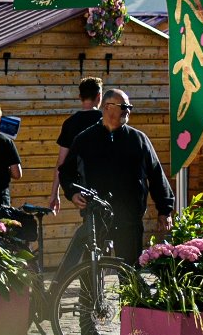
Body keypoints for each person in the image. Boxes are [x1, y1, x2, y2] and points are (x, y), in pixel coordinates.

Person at [58, 87, 173, 266]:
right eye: (125, 106)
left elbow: (156, 174)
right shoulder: (84, 139)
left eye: (130, 106)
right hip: (96, 217)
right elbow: (66, 172)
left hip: (129, 219)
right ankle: (91, 295)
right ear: (108, 107)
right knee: (90, 274)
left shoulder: (138, 139)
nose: (129, 110)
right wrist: (72, 193)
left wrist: (165, 210)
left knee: (130, 274)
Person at [50, 78, 104, 212]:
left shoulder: (70, 123)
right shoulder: (106, 121)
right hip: (108, 183)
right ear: (99, 96)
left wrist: (54, 193)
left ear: (80, 97)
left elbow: (61, 162)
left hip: (83, 187)